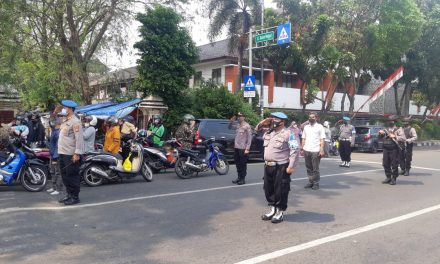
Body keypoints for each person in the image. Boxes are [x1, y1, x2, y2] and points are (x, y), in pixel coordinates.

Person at [256, 112, 299, 223]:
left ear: (282, 121)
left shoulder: (289, 134)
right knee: (268, 188)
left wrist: (291, 166)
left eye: (276, 119)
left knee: (281, 189)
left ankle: (280, 212)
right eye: (273, 118)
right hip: (268, 165)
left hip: (281, 166)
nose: (273, 121)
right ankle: (272, 209)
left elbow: (295, 150)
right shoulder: (269, 132)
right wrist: (262, 122)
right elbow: (256, 130)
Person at [56, 100, 84, 205]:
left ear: (71, 109)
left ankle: (75, 197)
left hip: (71, 154)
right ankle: (69, 195)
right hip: (62, 153)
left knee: (72, 176)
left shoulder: (75, 122)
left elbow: (79, 139)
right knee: (65, 176)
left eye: (65, 107)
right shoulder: (65, 121)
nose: (64, 109)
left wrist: (77, 153)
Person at [378, 116, 406, 185]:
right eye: (389, 121)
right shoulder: (385, 129)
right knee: (385, 163)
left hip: (394, 149)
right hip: (385, 148)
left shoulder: (398, 129)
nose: (390, 122)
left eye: (392, 121)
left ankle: (394, 178)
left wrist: (395, 136)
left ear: (394, 122)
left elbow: (403, 138)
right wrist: (380, 134)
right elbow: (380, 138)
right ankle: (388, 177)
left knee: (394, 164)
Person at [301, 112, 325, 190]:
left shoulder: (320, 127)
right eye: (310, 117)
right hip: (306, 149)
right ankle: (311, 181)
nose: (311, 118)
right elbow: (303, 138)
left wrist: (321, 150)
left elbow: (322, 139)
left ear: (316, 118)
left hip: (316, 150)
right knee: (308, 167)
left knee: (315, 168)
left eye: (313, 117)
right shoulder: (306, 127)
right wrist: (302, 148)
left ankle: (316, 183)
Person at [229, 112, 252, 185]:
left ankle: (242, 179)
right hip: (236, 147)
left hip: (243, 148)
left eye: (241, 116)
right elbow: (229, 127)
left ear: (244, 117)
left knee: (243, 164)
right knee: (237, 163)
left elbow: (249, 138)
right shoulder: (237, 125)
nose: (239, 117)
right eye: (238, 116)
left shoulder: (247, 126)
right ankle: (239, 177)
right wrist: (231, 121)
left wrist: (247, 148)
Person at [46, 117, 65, 196]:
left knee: (57, 172)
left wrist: (55, 157)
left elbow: (58, 146)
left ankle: (58, 189)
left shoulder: (58, 133)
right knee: (52, 172)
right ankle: (54, 187)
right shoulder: (54, 131)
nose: (51, 124)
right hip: (52, 154)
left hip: (56, 155)